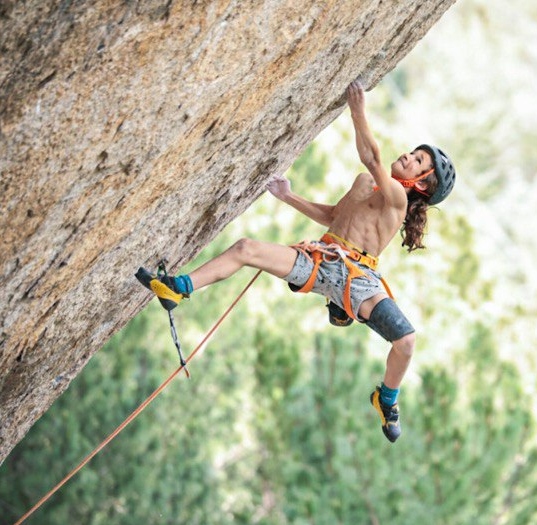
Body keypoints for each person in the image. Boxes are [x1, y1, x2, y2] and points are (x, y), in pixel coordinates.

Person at [136, 81, 456, 443]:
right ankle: (179, 289)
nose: (409, 157)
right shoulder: (365, 183)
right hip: (322, 260)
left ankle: (387, 399)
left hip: (358, 278)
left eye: (418, 162)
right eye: (414, 153)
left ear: (422, 186)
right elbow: (334, 215)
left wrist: (357, 110)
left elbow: (372, 156)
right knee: (246, 249)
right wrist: (289, 197)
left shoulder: (397, 197)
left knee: (407, 341)